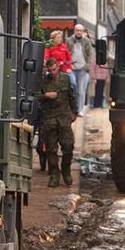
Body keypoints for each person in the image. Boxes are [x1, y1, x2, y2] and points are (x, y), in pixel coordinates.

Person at [38, 58, 78, 187]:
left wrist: (74, 111)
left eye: (54, 69)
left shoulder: (65, 79)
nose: (52, 72)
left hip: (64, 117)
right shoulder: (43, 81)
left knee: (68, 146)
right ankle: (54, 174)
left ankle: (66, 171)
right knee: (51, 149)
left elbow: (72, 95)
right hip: (49, 119)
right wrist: (46, 96)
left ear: (58, 67)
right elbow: (34, 96)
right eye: (50, 70)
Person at [66, 24, 94, 117]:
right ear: (74, 30)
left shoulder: (87, 41)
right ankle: (72, 108)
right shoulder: (69, 40)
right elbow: (66, 53)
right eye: (77, 30)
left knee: (81, 90)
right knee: (73, 86)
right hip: (72, 68)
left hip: (82, 69)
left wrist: (88, 66)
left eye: (80, 31)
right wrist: (67, 66)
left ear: (83, 31)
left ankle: (80, 109)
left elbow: (90, 54)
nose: (78, 32)